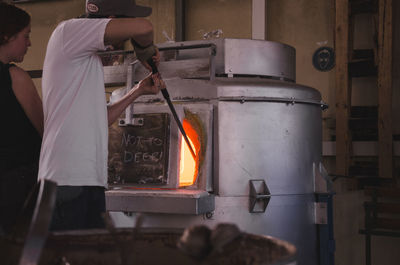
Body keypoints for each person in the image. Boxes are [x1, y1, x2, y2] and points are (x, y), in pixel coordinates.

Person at [38, 0, 164, 231]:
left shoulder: (87, 60)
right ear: (114, 21)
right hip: (65, 183)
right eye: (124, 36)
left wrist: (138, 91)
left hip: (89, 182)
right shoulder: (68, 32)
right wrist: (144, 50)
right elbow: (144, 28)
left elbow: (100, 119)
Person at [0, 3, 44, 235]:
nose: (29, 43)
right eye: (25, 36)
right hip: (19, 185)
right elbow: (45, 130)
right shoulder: (14, 76)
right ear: (7, 35)